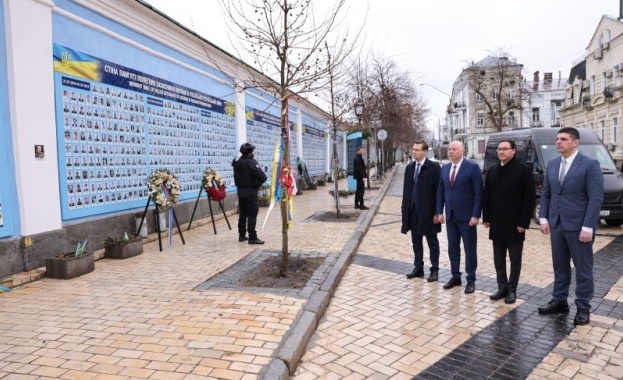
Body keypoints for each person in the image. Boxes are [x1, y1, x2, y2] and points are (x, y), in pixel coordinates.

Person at [538, 127, 603, 326]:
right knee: (560, 266)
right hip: (557, 224)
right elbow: (547, 194)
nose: (558, 142)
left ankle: (583, 307)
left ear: (575, 142)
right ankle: (559, 300)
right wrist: (543, 218)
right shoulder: (553, 163)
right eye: (557, 139)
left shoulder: (590, 164)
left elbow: (595, 197)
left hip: (579, 227)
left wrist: (588, 226)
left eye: (563, 139)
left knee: (583, 268)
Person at [483, 139, 535, 304]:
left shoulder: (523, 171)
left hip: (515, 224)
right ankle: (502, 287)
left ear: (514, 151)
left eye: (505, 149)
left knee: (515, 260)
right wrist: (486, 217)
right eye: (499, 149)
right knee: (498, 259)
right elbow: (487, 196)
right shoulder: (492, 171)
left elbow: (529, 198)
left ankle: (512, 290)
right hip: (497, 223)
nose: (501, 152)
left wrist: (523, 222)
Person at [436, 140, 483, 294]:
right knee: (453, 248)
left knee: (470, 249)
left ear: (462, 151)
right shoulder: (445, 168)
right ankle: (455, 276)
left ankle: (471, 279)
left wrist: (476, 215)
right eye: (449, 149)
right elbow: (441, 191)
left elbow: (478, 193)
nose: (450, 151)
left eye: (454, 149)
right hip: (450, 216)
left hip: (467, 217)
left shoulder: (472, 167)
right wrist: (439, 211)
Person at [401, 141, 441, 282]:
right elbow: (407, 190)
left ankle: (434, 270)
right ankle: (418, 267)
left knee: (432, 242)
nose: (414, 152)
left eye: (417, 150)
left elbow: (439, 192)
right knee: (416, 242)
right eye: (413, 149)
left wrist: (438, 212)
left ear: (425, 152)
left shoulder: (434, 168)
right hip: (412, 211)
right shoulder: (410, 168)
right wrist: (405, 210)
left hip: (428, 213)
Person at [233, 142, 267, 244]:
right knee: (252, 214)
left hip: (241, 192)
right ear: (250, 152)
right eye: (253, 151)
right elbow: (263, 177)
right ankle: (252, 237)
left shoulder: (237, 162)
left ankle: (242, 235)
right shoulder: (251, 162)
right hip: (250, 192)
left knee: (243, 214)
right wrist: (256, 185)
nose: (254, 153)